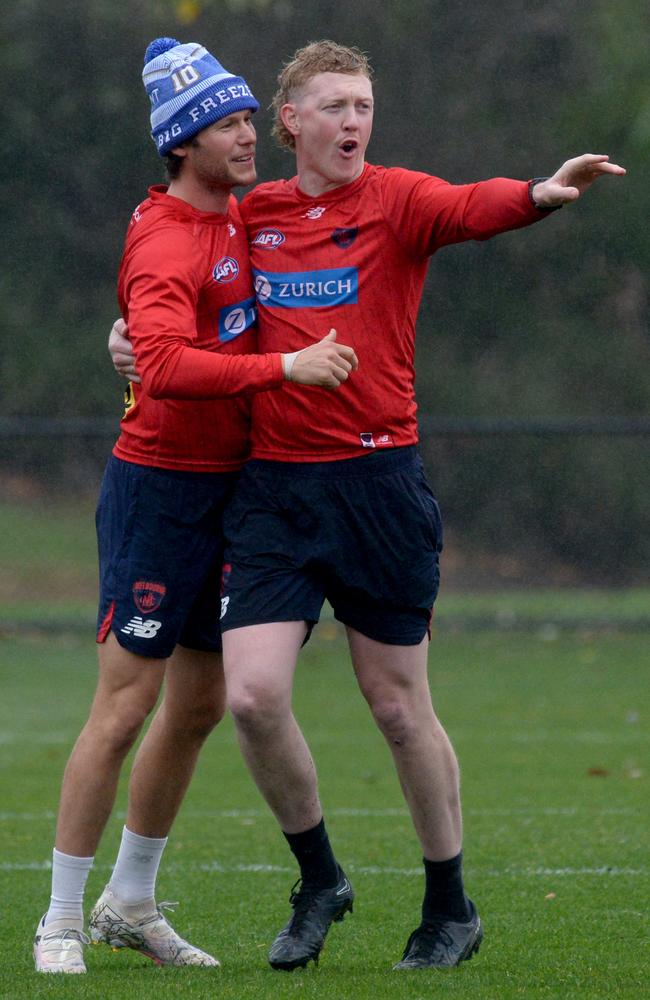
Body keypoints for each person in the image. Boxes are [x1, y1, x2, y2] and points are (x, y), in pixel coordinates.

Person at [110, 40, 625, 973]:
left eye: (364, 105)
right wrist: (127, 339)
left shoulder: (394, 199)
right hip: (273, 488)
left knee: (398, 708)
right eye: (336, 106)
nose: (354, 122)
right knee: (256, 698)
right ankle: (320, 880)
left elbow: (472, 207)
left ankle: (449, 906)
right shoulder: (248, 215)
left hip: (379, 487)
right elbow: (186, 296)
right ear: (290, 123)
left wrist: (539, 193)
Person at [34, 37, 357, 976]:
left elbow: (160, 336)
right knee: (126, 704)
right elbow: (167, 364)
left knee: (201, 703)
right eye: (229, 123)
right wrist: (283, 367)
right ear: (183, 143)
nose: (250, 136)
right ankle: (58, 919)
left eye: (252, 116)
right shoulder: (166, 233)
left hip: (238, 492)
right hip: (160, 494)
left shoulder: (248, 213)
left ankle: (130, 903)